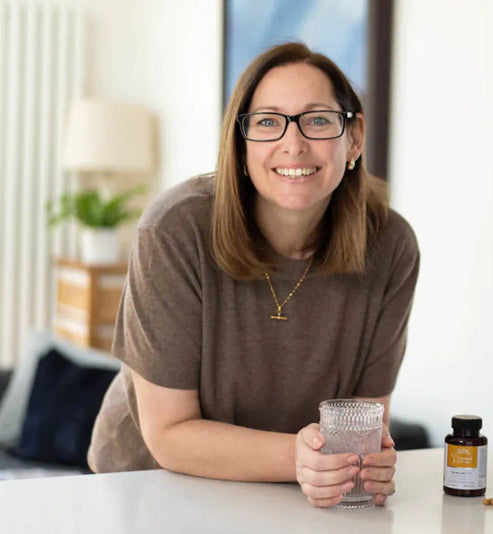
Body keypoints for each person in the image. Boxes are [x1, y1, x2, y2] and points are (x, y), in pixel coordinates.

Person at [87, 42, 420, 509]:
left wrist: (366, 462)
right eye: (267, 121)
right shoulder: (174, 229)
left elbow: (362, 427)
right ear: (239, 144)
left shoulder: (390, 246)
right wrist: (301, 459)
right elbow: (168, 433)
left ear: (355, 138)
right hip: (150, 487)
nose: (294, 142)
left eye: (318, 119)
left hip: (287, 494)